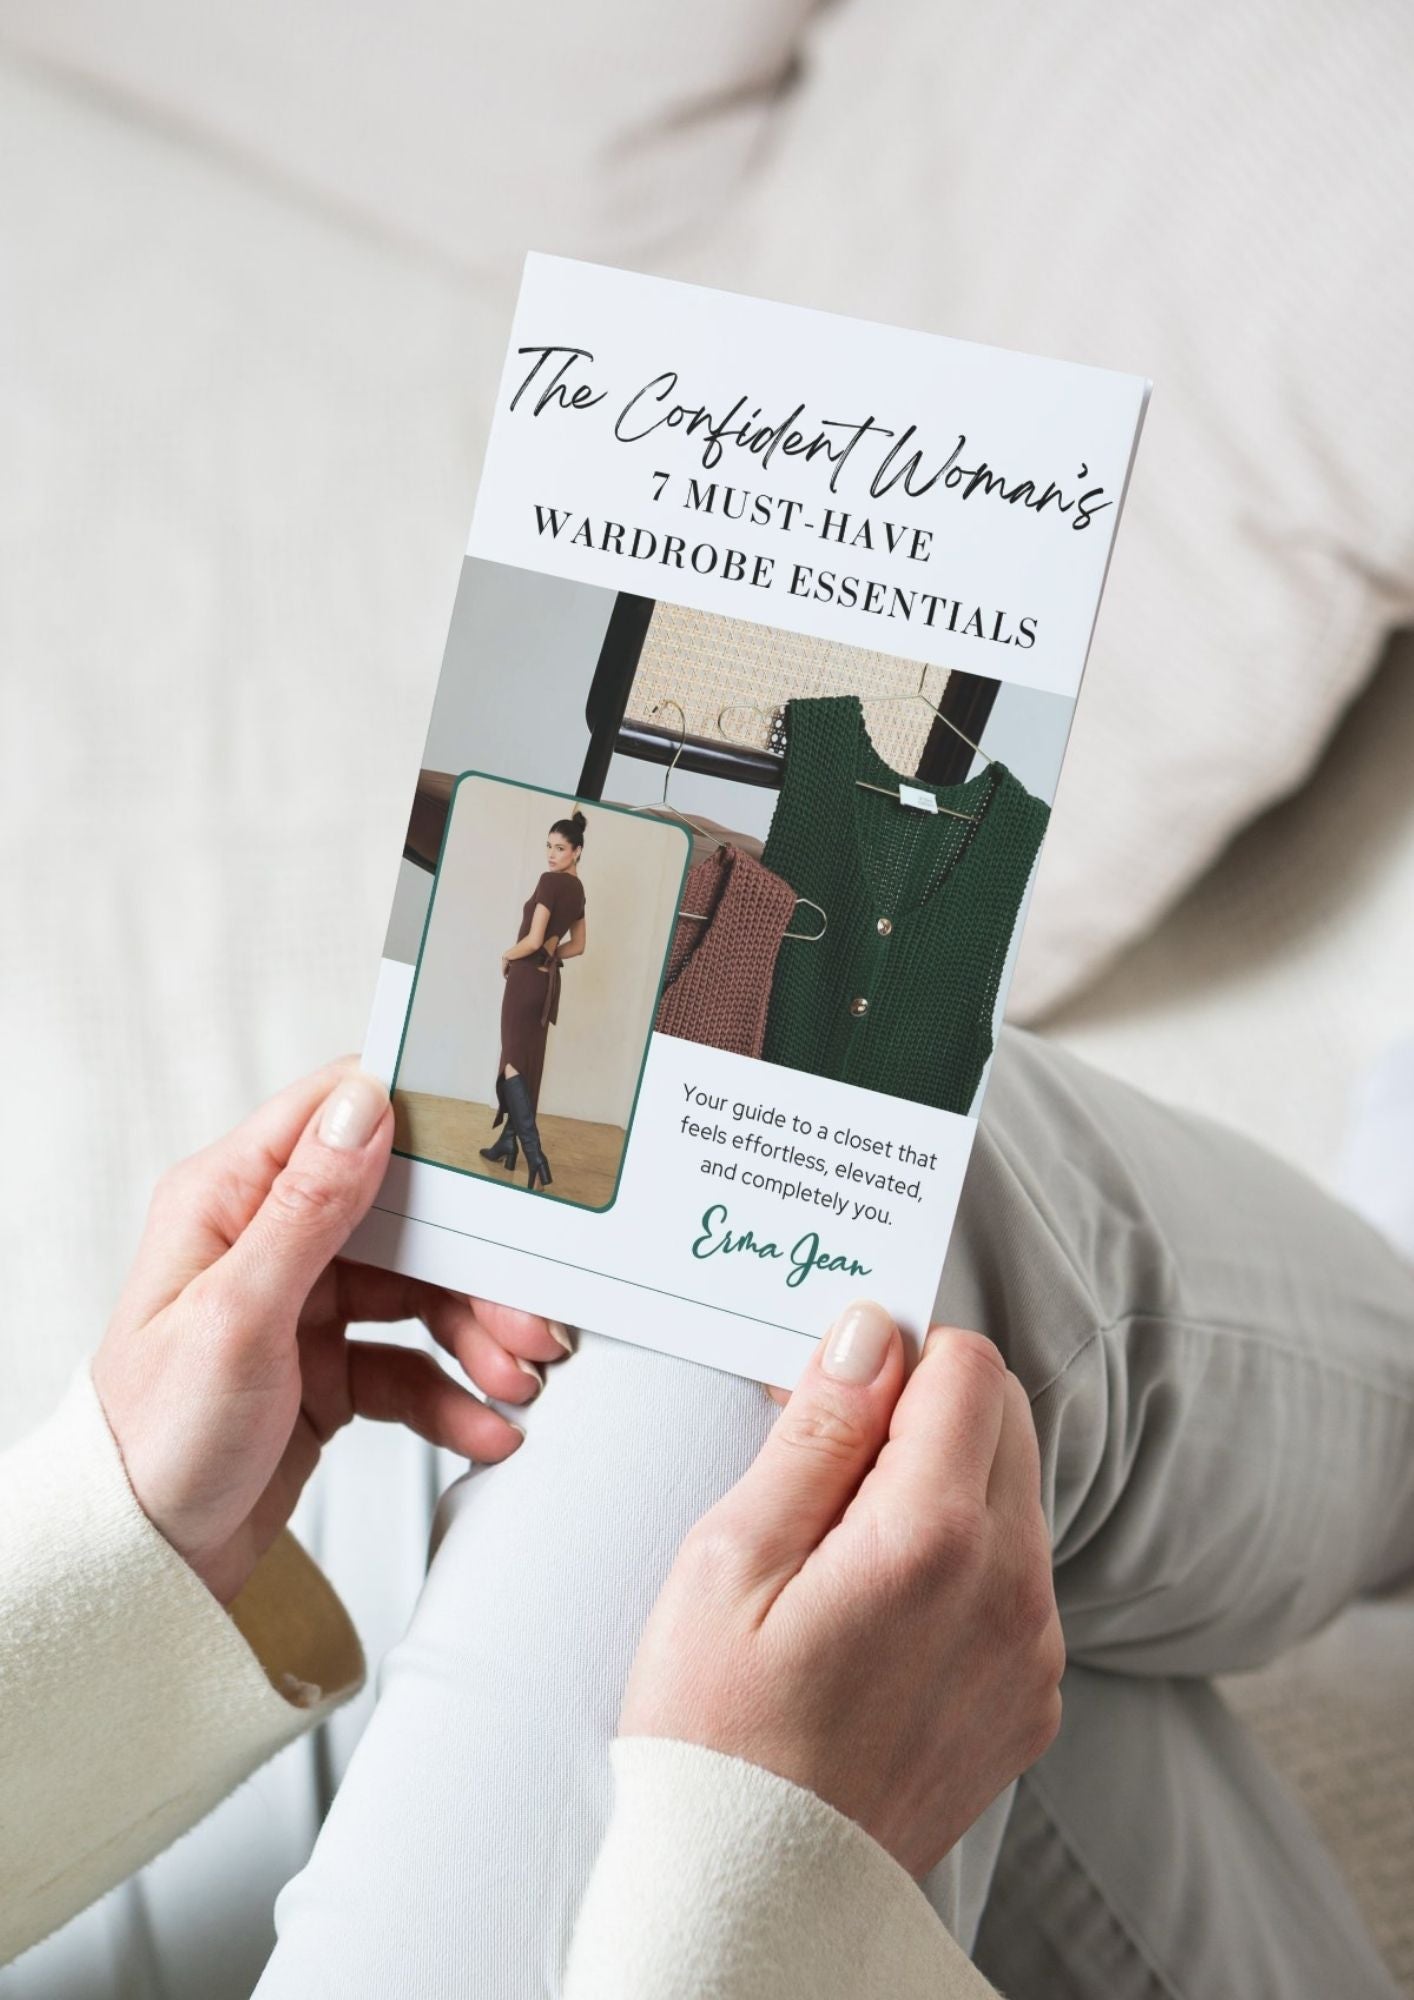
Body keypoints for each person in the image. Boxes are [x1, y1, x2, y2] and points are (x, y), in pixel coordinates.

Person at [479, 808, 589, 1191]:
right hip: (547, 984)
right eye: (548, 846)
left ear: (576, 850)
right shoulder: (578, 891)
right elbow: (579, 946)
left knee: (512, 1061)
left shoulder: (549, 882)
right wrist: (552, 956)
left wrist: (507, 954)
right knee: (526, 1061)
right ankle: (506, 1144)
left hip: (525, 979)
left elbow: (531, 938)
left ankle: (534, 1154)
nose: (551, 854)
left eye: (560, 847)